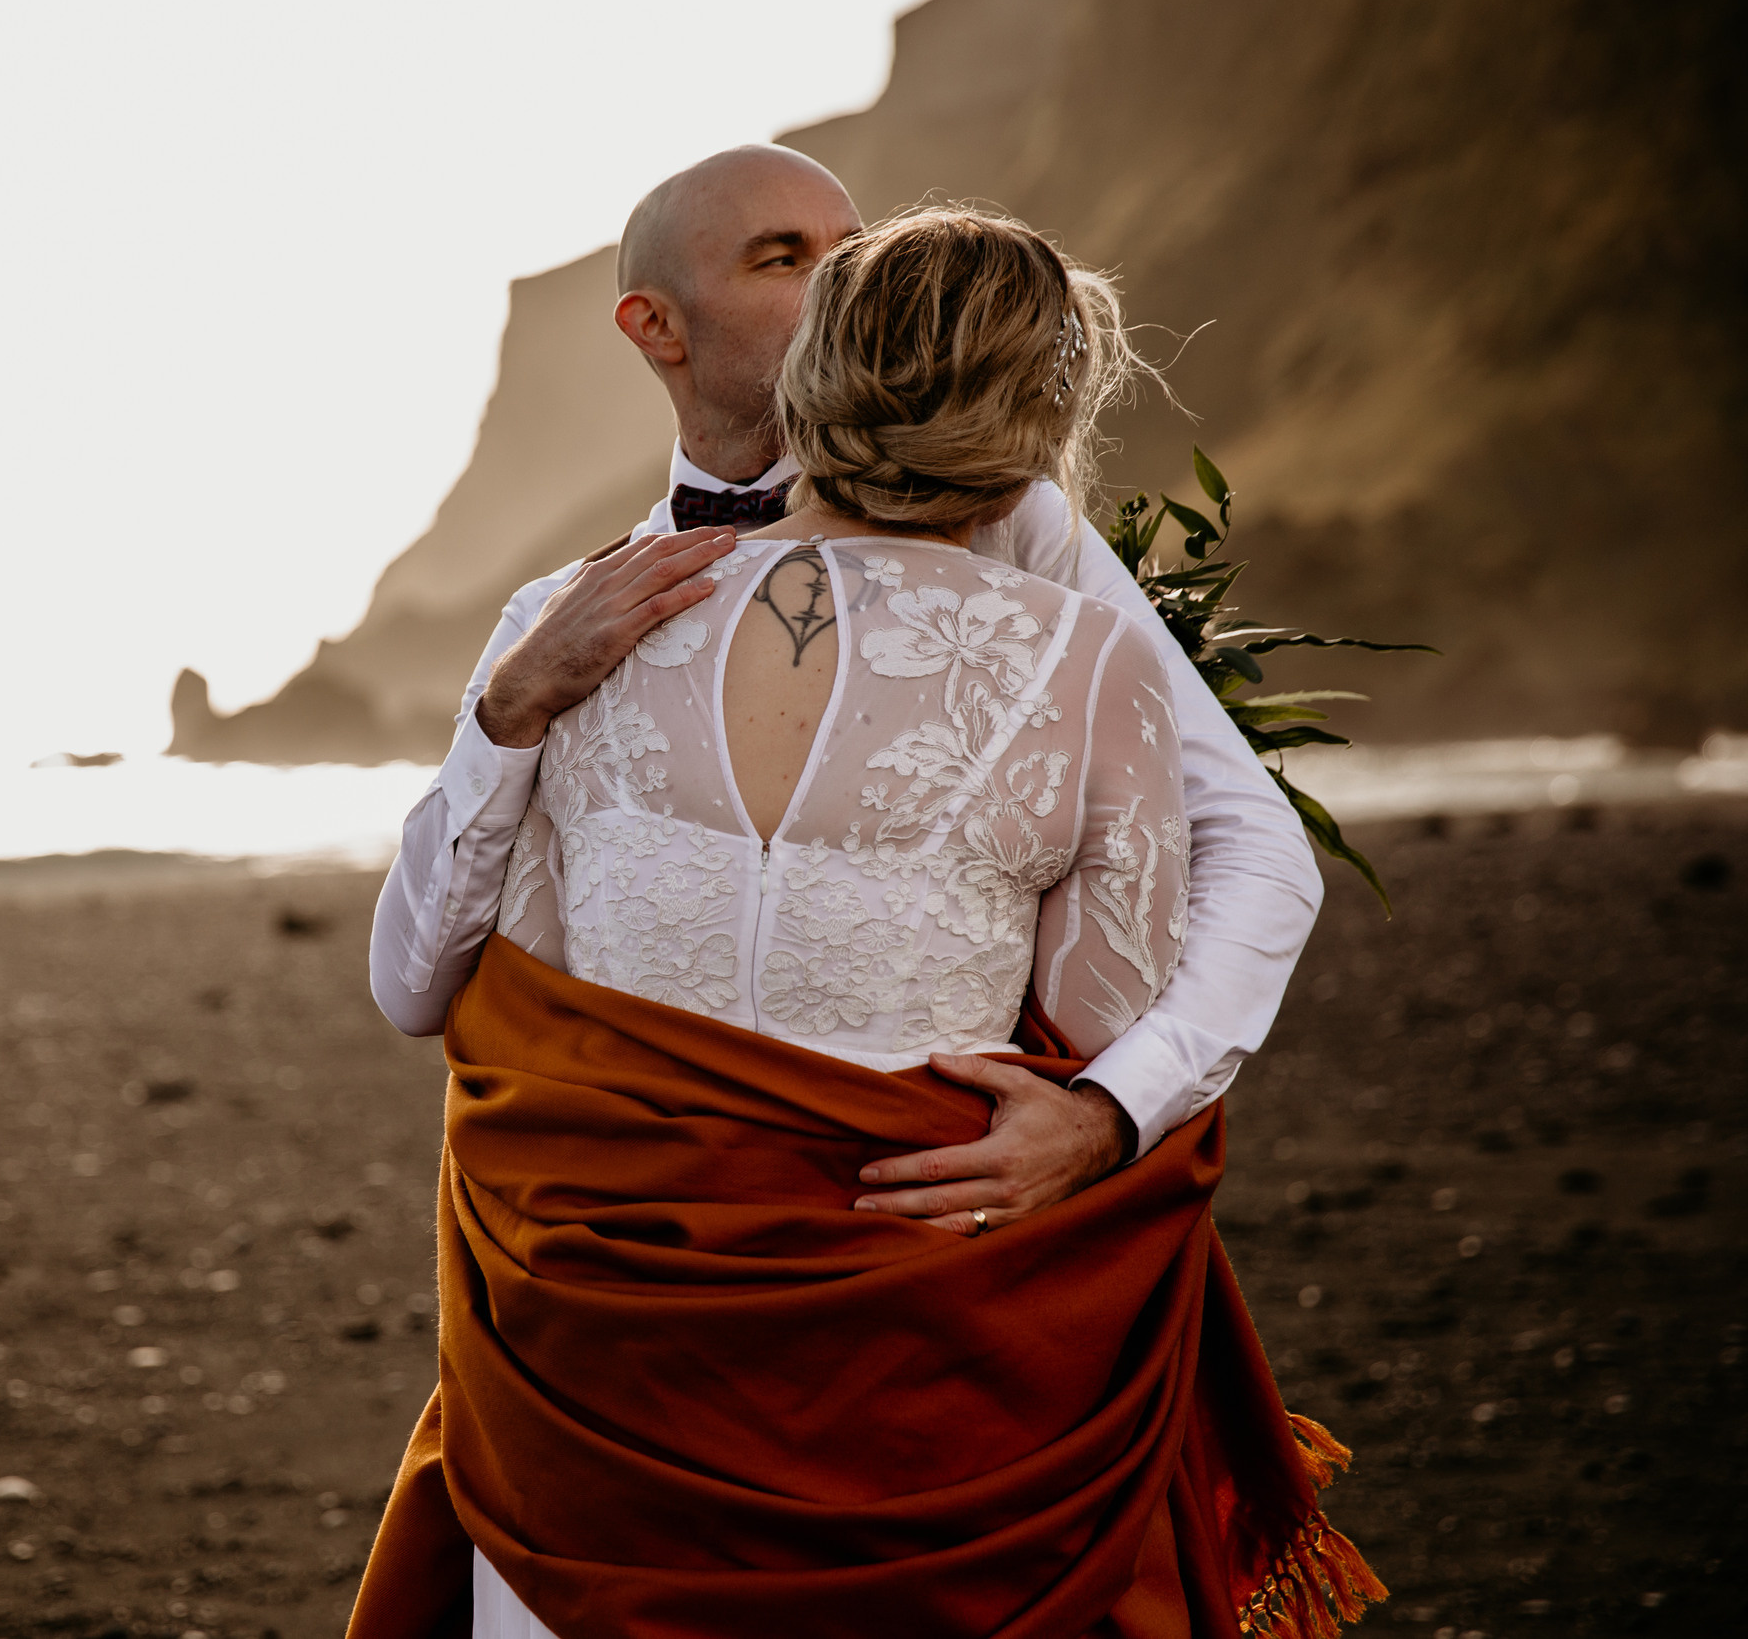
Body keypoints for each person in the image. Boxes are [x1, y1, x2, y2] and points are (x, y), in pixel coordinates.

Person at [347, 206, 1382, 1636]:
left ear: (813, 375)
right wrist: (1095, 1099)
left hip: (597, 1380)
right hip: (918, 1376)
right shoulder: (1083, 660)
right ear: (1045, 416)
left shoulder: (559, 622)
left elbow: (476, 984)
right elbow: (1099, 1019)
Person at [369, 146, 1324, 1232]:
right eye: (782, 260)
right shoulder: (558, 618)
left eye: (851, 253)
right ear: (656, 327)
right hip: (647, 1221)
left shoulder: (1021, 529)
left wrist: (1112, 1110)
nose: (837, 284)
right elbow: (413, 984)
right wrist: (507, 711)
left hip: (936, 1199)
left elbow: (1250, 843)